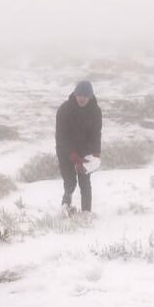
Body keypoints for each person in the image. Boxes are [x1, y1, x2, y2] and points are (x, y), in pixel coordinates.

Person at [55, 80, 102, 213]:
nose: (82, 98)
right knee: (70, 181)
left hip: (84, 151)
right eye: (80, 94)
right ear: (75, 94)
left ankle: (86, 212)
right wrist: (71, 154)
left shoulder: (95, 111)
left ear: (90, 96)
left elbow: (96, 133)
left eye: (85, 95)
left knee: (85, 183)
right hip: (65, 151)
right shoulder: (65, 109)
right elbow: (60, 136)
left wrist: (96, 153)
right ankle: (66, 206)